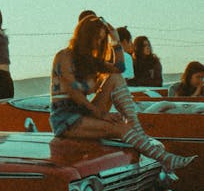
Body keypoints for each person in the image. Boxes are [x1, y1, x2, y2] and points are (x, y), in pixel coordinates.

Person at [50, 16, 196, 173]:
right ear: (85, 36)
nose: (98, 43)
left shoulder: (91, 61)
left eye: (101, 39)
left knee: (115, 77)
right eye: (96, 38)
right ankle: (165, 159)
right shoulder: (64, 56)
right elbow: (73, 91)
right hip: (66, 117)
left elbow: (119, 68)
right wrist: (101, 114)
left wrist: (115, 39)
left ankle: (138, 130)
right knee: (122, 129)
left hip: (85, 112)